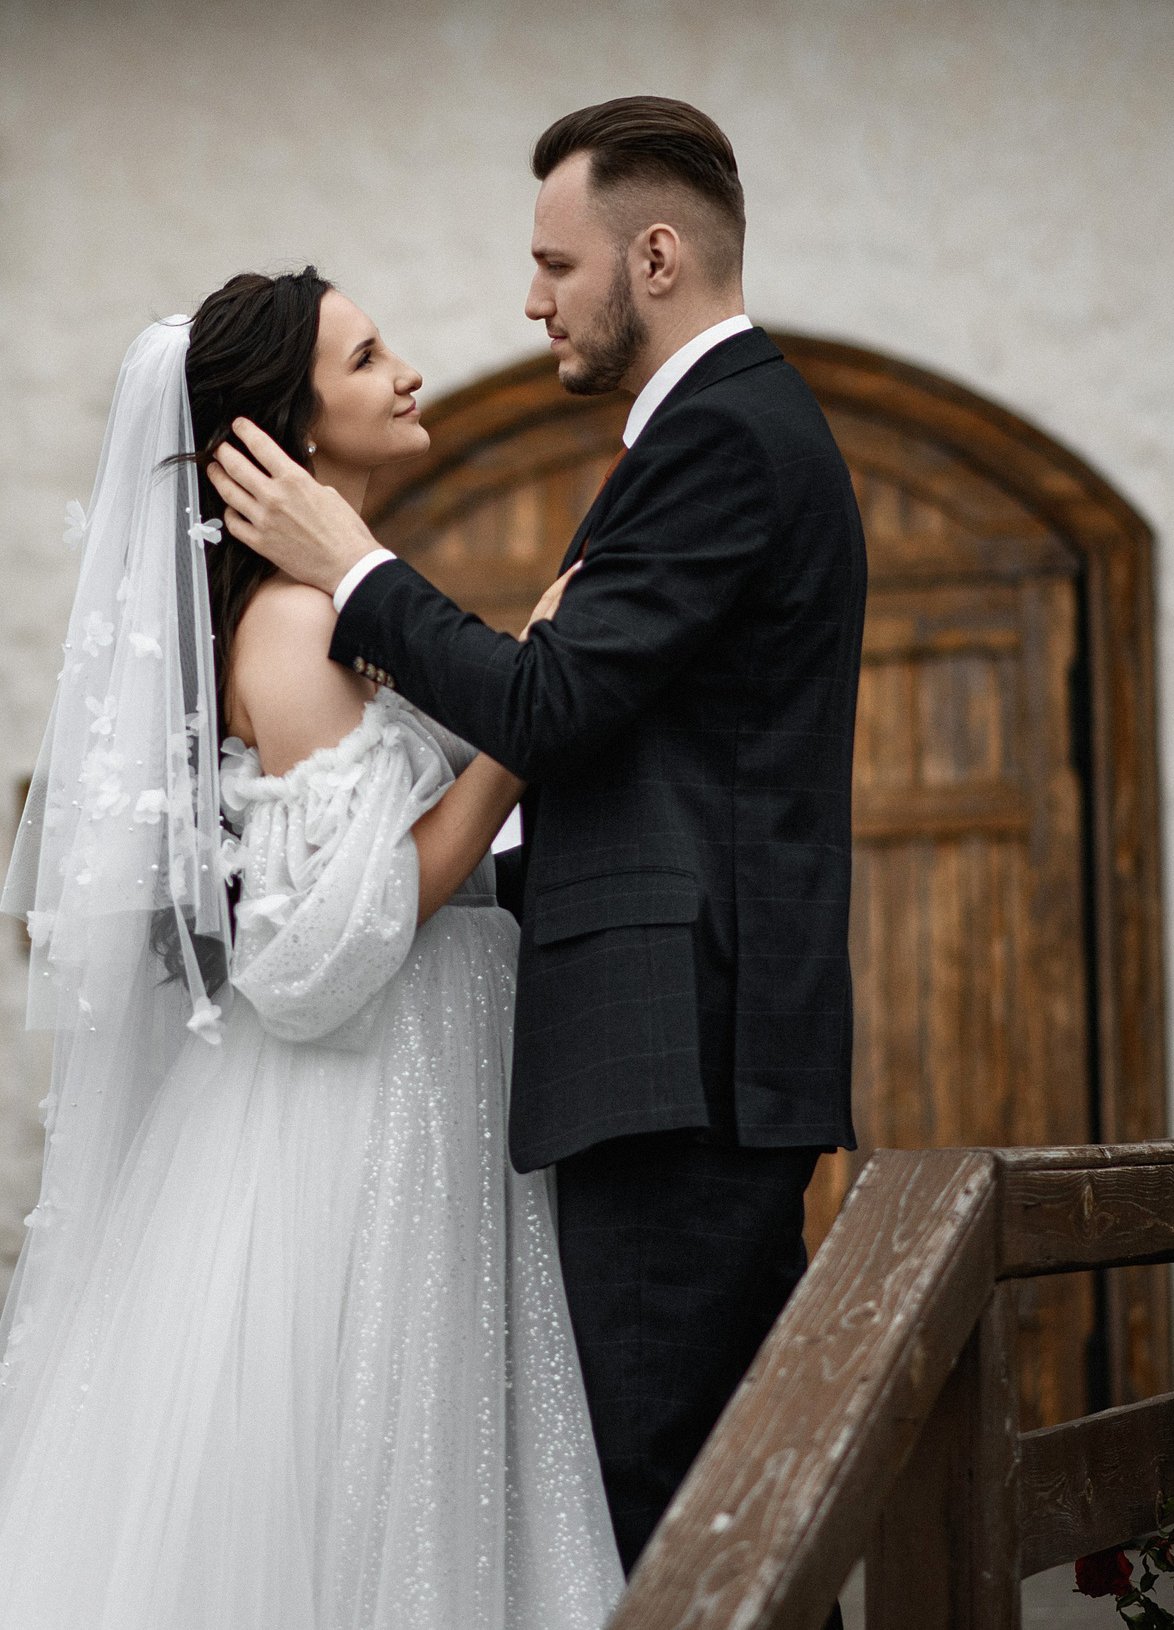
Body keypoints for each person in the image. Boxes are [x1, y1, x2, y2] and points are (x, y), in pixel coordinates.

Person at [0, 272, 623, 1630]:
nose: (411, 370)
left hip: (417, 1086)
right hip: (366, 1106)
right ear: (285, 429)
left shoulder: (321, 609)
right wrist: (529, 712)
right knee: (369, 1469)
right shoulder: (294, 623)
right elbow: (327, 946)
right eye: (369, 356)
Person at [212, 97, 869, 1575]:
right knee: (716, 1508)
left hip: (676, 1071)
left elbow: (559, 703)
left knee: (677, 1512)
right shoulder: (715, 432)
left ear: (652, 256)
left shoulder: (724, 438)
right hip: (678, 1060)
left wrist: (359, 567)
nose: (528, 300)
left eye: (553, 264)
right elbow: (639, 766)